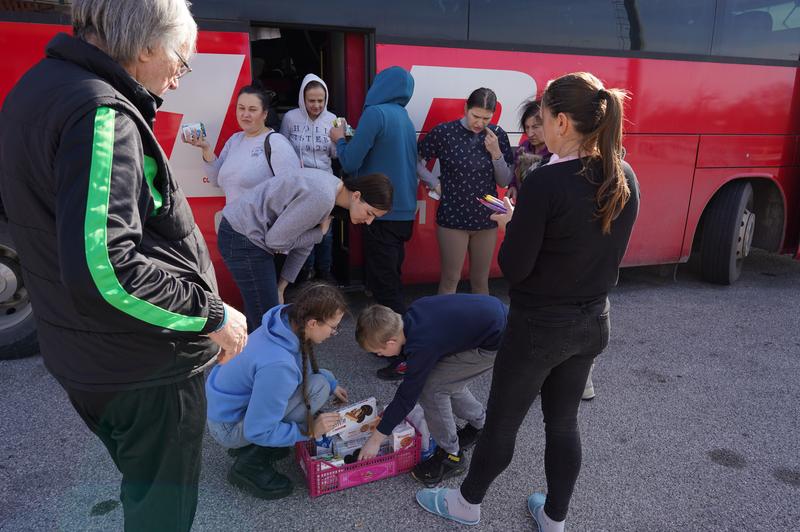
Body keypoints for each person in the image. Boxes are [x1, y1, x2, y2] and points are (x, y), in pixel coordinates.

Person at [0, 1, 249, 530]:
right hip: (142, 370)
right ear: (144, 46)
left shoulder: (40, 86)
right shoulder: (100, 112)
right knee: (162, 514)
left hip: (90, 355)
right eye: (181, 61)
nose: (178, 79)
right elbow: (105, 269)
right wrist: (212, 316)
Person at [416, 72, 640, 531]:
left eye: (541, 118)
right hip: (594, 320)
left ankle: (467, 504)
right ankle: (554, 518)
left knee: (503, 422)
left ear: (560, 120)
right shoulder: (624, 174)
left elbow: (517, 267)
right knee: (563, 423)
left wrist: (512, 225)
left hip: (539, 324)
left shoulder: (545, 182)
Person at [206, 282, 347, 500]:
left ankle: (266, 442)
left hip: (225, 408)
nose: (334, 332)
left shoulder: (283, 323)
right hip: (228, 426)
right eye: (334, 327)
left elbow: (302, 367)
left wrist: (332, 382)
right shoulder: (278, 366)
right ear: (312, 323)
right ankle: (249, 465)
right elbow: (257, 429)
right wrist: (309, 431)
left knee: (322, 380)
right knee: (318, 389)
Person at [354, 294, 507, 486]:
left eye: (378, 351)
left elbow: (407, 397)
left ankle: (451, 456)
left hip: (495, 341)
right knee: (445, 380)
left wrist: (376, 439)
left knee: (432, 389)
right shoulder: (413, 314)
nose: (378, 355)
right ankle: (480, 425)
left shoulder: (421, 345)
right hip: (494, 316)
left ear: (391, 342)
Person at [219, 169, 392, 331]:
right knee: (266, 322)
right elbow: (276, 241)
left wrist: (282, 287)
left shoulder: (332, 191)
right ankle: (259, 360)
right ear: (356, 195)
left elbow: (303, 246)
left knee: (262, 316)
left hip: (245, 236)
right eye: (370, 213)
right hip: (242, 236)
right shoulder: (323, 197)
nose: (369, 222)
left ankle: (253, 359)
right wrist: (320, 233)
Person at [329, 66, 417, 314]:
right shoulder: (404, 117)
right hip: (404, 212)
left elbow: (350, 161)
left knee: (385, 286)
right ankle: (393, 336)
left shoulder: (375, 114)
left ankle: (398, 343)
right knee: (392, 277)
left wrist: (340, 139)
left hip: (378, 212)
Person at [418, 87, 514, 295]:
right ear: (465, 108)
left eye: (486, 118)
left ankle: (484, 327)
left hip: (487, 217)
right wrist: (434, 182)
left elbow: (505, 180)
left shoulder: (497, 136)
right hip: (453, 217)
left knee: (481, 281)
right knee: (450, 279)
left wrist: (496, 153)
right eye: (475, 116)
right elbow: (416, 162)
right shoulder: (444, 132)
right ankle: (444, 326)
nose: (479, 123)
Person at [185, 84, 301, 205]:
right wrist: (206, 148)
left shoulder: (277, 144)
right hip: (230, 220)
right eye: (241, 108)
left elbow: (292, 193)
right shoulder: (235, 140)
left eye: (252, 109)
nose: (245, 114)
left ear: (264, 114)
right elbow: (216, 180)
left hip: (260, 223)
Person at [280, 74, 338, 283]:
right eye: (311, 100)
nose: (316, 105)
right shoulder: (290, 118)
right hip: (300, 184)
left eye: (320, 100)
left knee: (326, 230)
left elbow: (336, 154)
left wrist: (339, 140)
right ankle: (306, 271)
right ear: (302, 99)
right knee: (304, 228)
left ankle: (325, 270)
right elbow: (282, 148)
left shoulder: (333, 119)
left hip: (326, 183)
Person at [508, 99, 551, 201]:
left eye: (535, 127)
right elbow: (515, 175)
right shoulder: (523, 148)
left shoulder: (557, 153)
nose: (530, 133)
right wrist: (513, 186)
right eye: (527, 127)